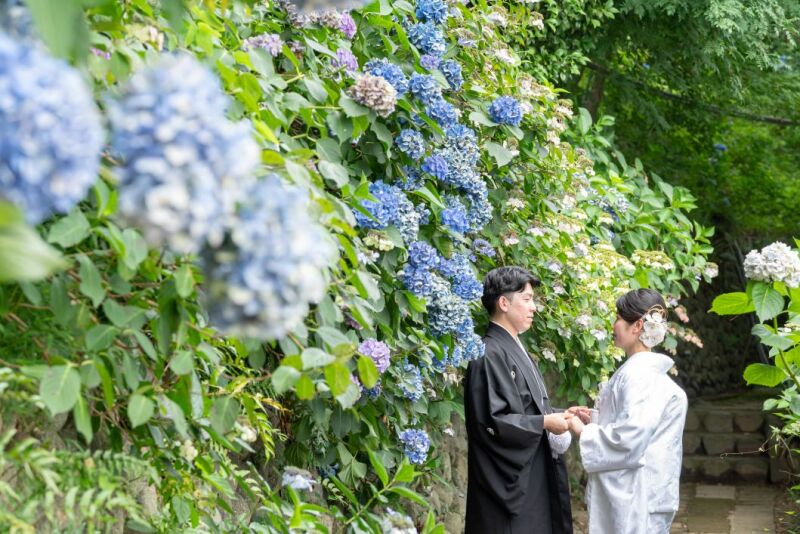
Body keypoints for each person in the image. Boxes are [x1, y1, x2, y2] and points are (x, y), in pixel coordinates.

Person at [568, 288, 688, 534]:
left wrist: (583, 431)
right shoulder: (644, 373)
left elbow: (630, 437)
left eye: (618, 318)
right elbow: (633, 422)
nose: (613, 325)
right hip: (645, 491)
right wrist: (596, 419)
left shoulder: (639, 375)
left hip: (637, 496)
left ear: (638, 326)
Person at [464, 266, 574, 534]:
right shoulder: (488, 354)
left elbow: (526, 407)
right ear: (504, 303)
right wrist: (544, 422)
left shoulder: (514, 348)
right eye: (527, 299)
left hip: (532, 477)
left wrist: (561, 414)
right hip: (507, 487)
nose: (533, 307)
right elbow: (492, 423)